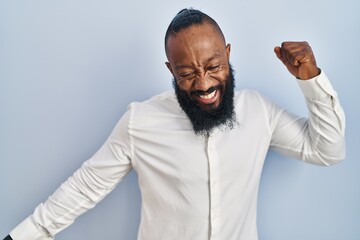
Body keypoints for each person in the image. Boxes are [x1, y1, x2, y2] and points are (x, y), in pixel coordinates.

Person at [3, 8, 345, 240]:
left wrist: (310, 80)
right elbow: (83, 189)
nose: (204, 84)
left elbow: (327, 150)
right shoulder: (141, 121)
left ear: (228, 54)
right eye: (186, 73)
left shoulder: (258, 111)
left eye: (213, 66)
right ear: (170, 70)